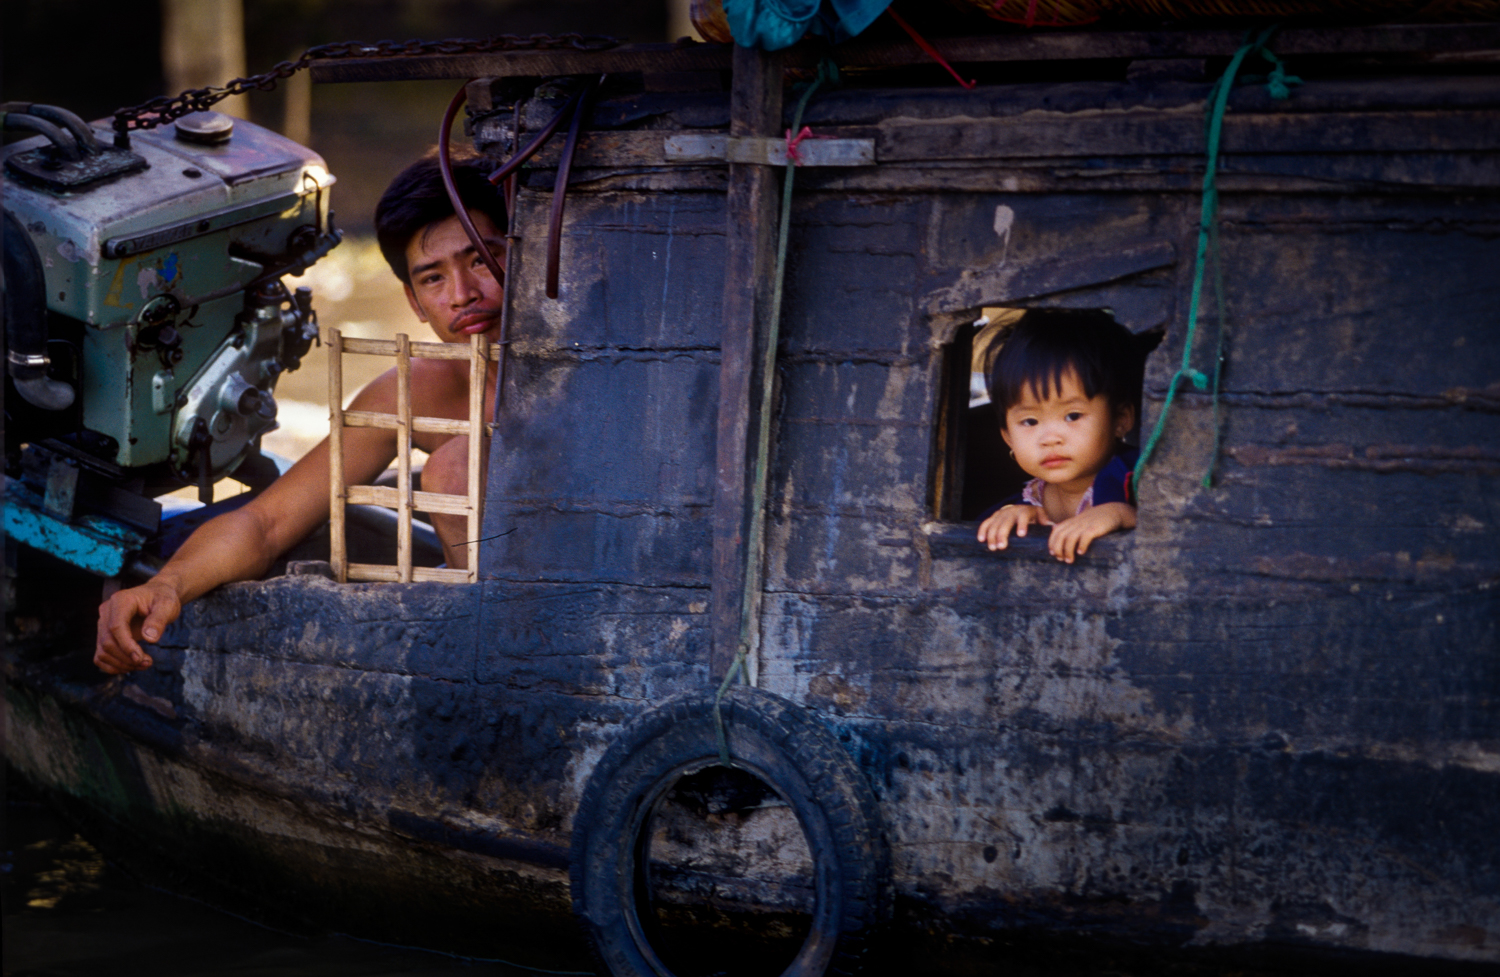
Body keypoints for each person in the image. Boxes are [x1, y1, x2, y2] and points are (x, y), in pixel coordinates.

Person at [93, 151, 507, 675]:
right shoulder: (420, 387)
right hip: (494, 628)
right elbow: (267, 522)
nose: (463, 295)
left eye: (479, 260)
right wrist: (166, 586)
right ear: (414, 302)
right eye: (433, 279)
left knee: (451, 471)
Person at [975, 310, 1142, 564]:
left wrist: (1123, 514)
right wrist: (1004, 522)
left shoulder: (1143, 478)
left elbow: (1190, 529)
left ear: (1120, 419)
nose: (1050, 438)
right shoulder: (1024, 503)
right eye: (1030, 421)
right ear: (1008, 437)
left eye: (1072, 416)